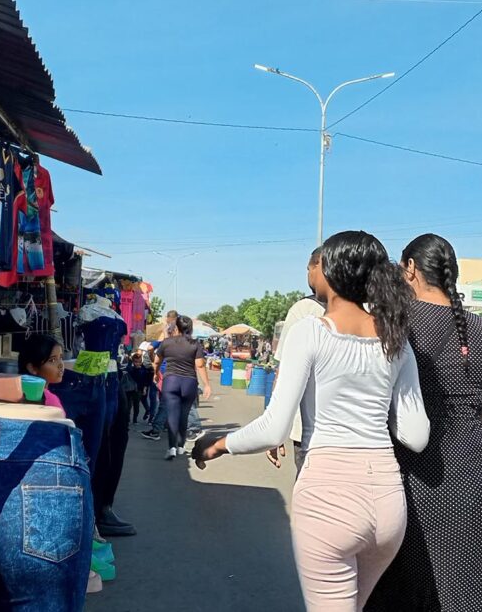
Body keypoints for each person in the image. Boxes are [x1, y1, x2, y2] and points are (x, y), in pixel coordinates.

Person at [194, 231, 429, 611]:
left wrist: (219, 444)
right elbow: (416, 435)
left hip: (329, 498)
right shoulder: (396, 338)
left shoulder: (310, 331)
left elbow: (274, 428)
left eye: (316, 264)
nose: (311, 271)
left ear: (332, 271)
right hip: (387, 503)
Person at [366, 234, 482, 612]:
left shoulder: (393, 325)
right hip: (478, 477)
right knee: (472, 592)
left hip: (414, 479)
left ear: (410, 268)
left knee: (405, 593)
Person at [269, 246, 326, 473]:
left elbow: (284, 375)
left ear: (319, 267)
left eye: (309, 268)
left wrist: (274, 427)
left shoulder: (304, 309)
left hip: (310, 433)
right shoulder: (375, 311)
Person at [154, 316, 213, 459]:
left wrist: (156, 374)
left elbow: (156, 361)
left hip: (171, 381)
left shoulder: (167, 343)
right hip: (189, 383)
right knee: (184, 416)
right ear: (190, 328)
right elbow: (200, 365)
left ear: (177, 328)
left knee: (172, 415)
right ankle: (181, 445)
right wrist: (207, 385)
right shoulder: (195, 344)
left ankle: (172, 448)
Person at [18, 334, 67, 418]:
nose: (60, 364)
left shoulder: (17, 392)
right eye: (52, 360)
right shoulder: (49, 399)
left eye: (61, 358)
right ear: (32, 368)